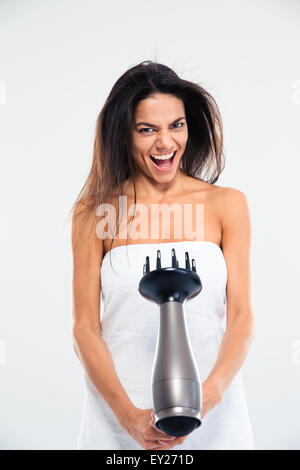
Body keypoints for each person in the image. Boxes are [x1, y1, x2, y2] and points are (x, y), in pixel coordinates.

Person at [70, 60, 255, 450]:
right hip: (120, 419)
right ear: (124, 135)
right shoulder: (94, 214)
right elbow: (85, 328)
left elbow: (241, 316)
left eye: (176, 125)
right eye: (147, 130)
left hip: (213, 418)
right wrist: (128, 417)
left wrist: (210, 394)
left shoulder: (227, 205)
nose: (165, 143)